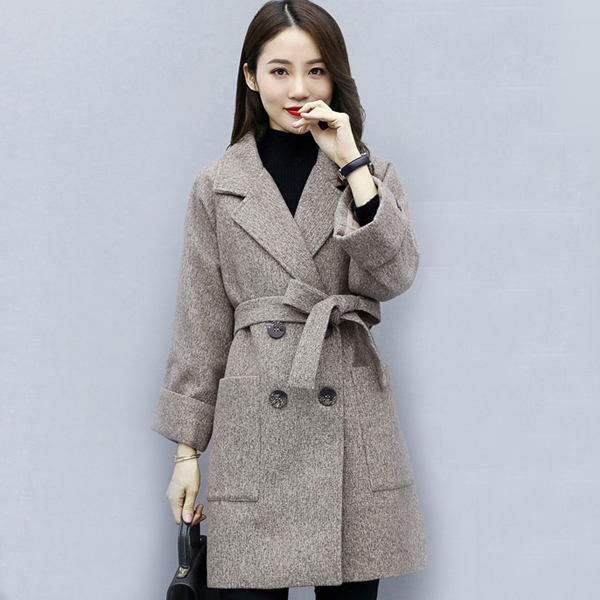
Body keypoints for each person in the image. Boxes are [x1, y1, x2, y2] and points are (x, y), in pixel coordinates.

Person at [151, 1, 428, 598]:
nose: (299, 89)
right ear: (251, 76)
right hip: (257, 424)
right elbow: (200, 322)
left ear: (336, 77)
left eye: (316, 70)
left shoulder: (369, 175)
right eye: (280, 71)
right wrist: (186, 454)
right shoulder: (218, 184)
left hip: (350, 423)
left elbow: (396, 277)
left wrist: (352, 165)